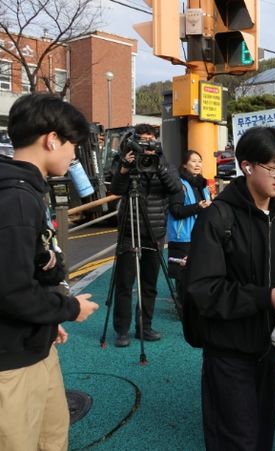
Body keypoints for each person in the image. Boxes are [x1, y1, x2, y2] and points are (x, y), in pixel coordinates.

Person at [185, 127, 275, 451]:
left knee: (262, 437)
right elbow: (204, 290)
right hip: (228, 351)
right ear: (247, 166)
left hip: (270, 347)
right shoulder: (218, 217)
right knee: (236, 440)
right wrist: (265, 297)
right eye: (273, 168)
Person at [0, 93, 99, 451]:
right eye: (73, 145)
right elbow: (11, 290)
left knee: (53, 436)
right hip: (11, 362)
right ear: (52, 139)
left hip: (34, 346)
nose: (74, 155)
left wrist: (47, 318)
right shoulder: (16, 199)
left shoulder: (24, 189)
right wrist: (69, 309)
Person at [110, 123, 182, 347]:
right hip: (129, 231)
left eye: (150, 139)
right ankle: (122, 330)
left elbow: (175, 188)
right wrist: (125, 167)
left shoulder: (165, 163)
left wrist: (158, 165)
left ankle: (145, 327)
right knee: (124, 283)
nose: (146, 144)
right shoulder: (126, 161)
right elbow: (116, 189)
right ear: (134, 141)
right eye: (141, 139)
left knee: (149, 283)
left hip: (155, 232)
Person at [167, 150, 211, 318]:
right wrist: (198, 207)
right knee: (183, 276)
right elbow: (176, 211)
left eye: (199, 161)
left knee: (198, 273)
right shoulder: (179, 185)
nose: (197, 164)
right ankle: (183, 310)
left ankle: (194, 307)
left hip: (200, 235)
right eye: (193, 161)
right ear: (185, 164)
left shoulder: (203, 185)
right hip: (183, 237)